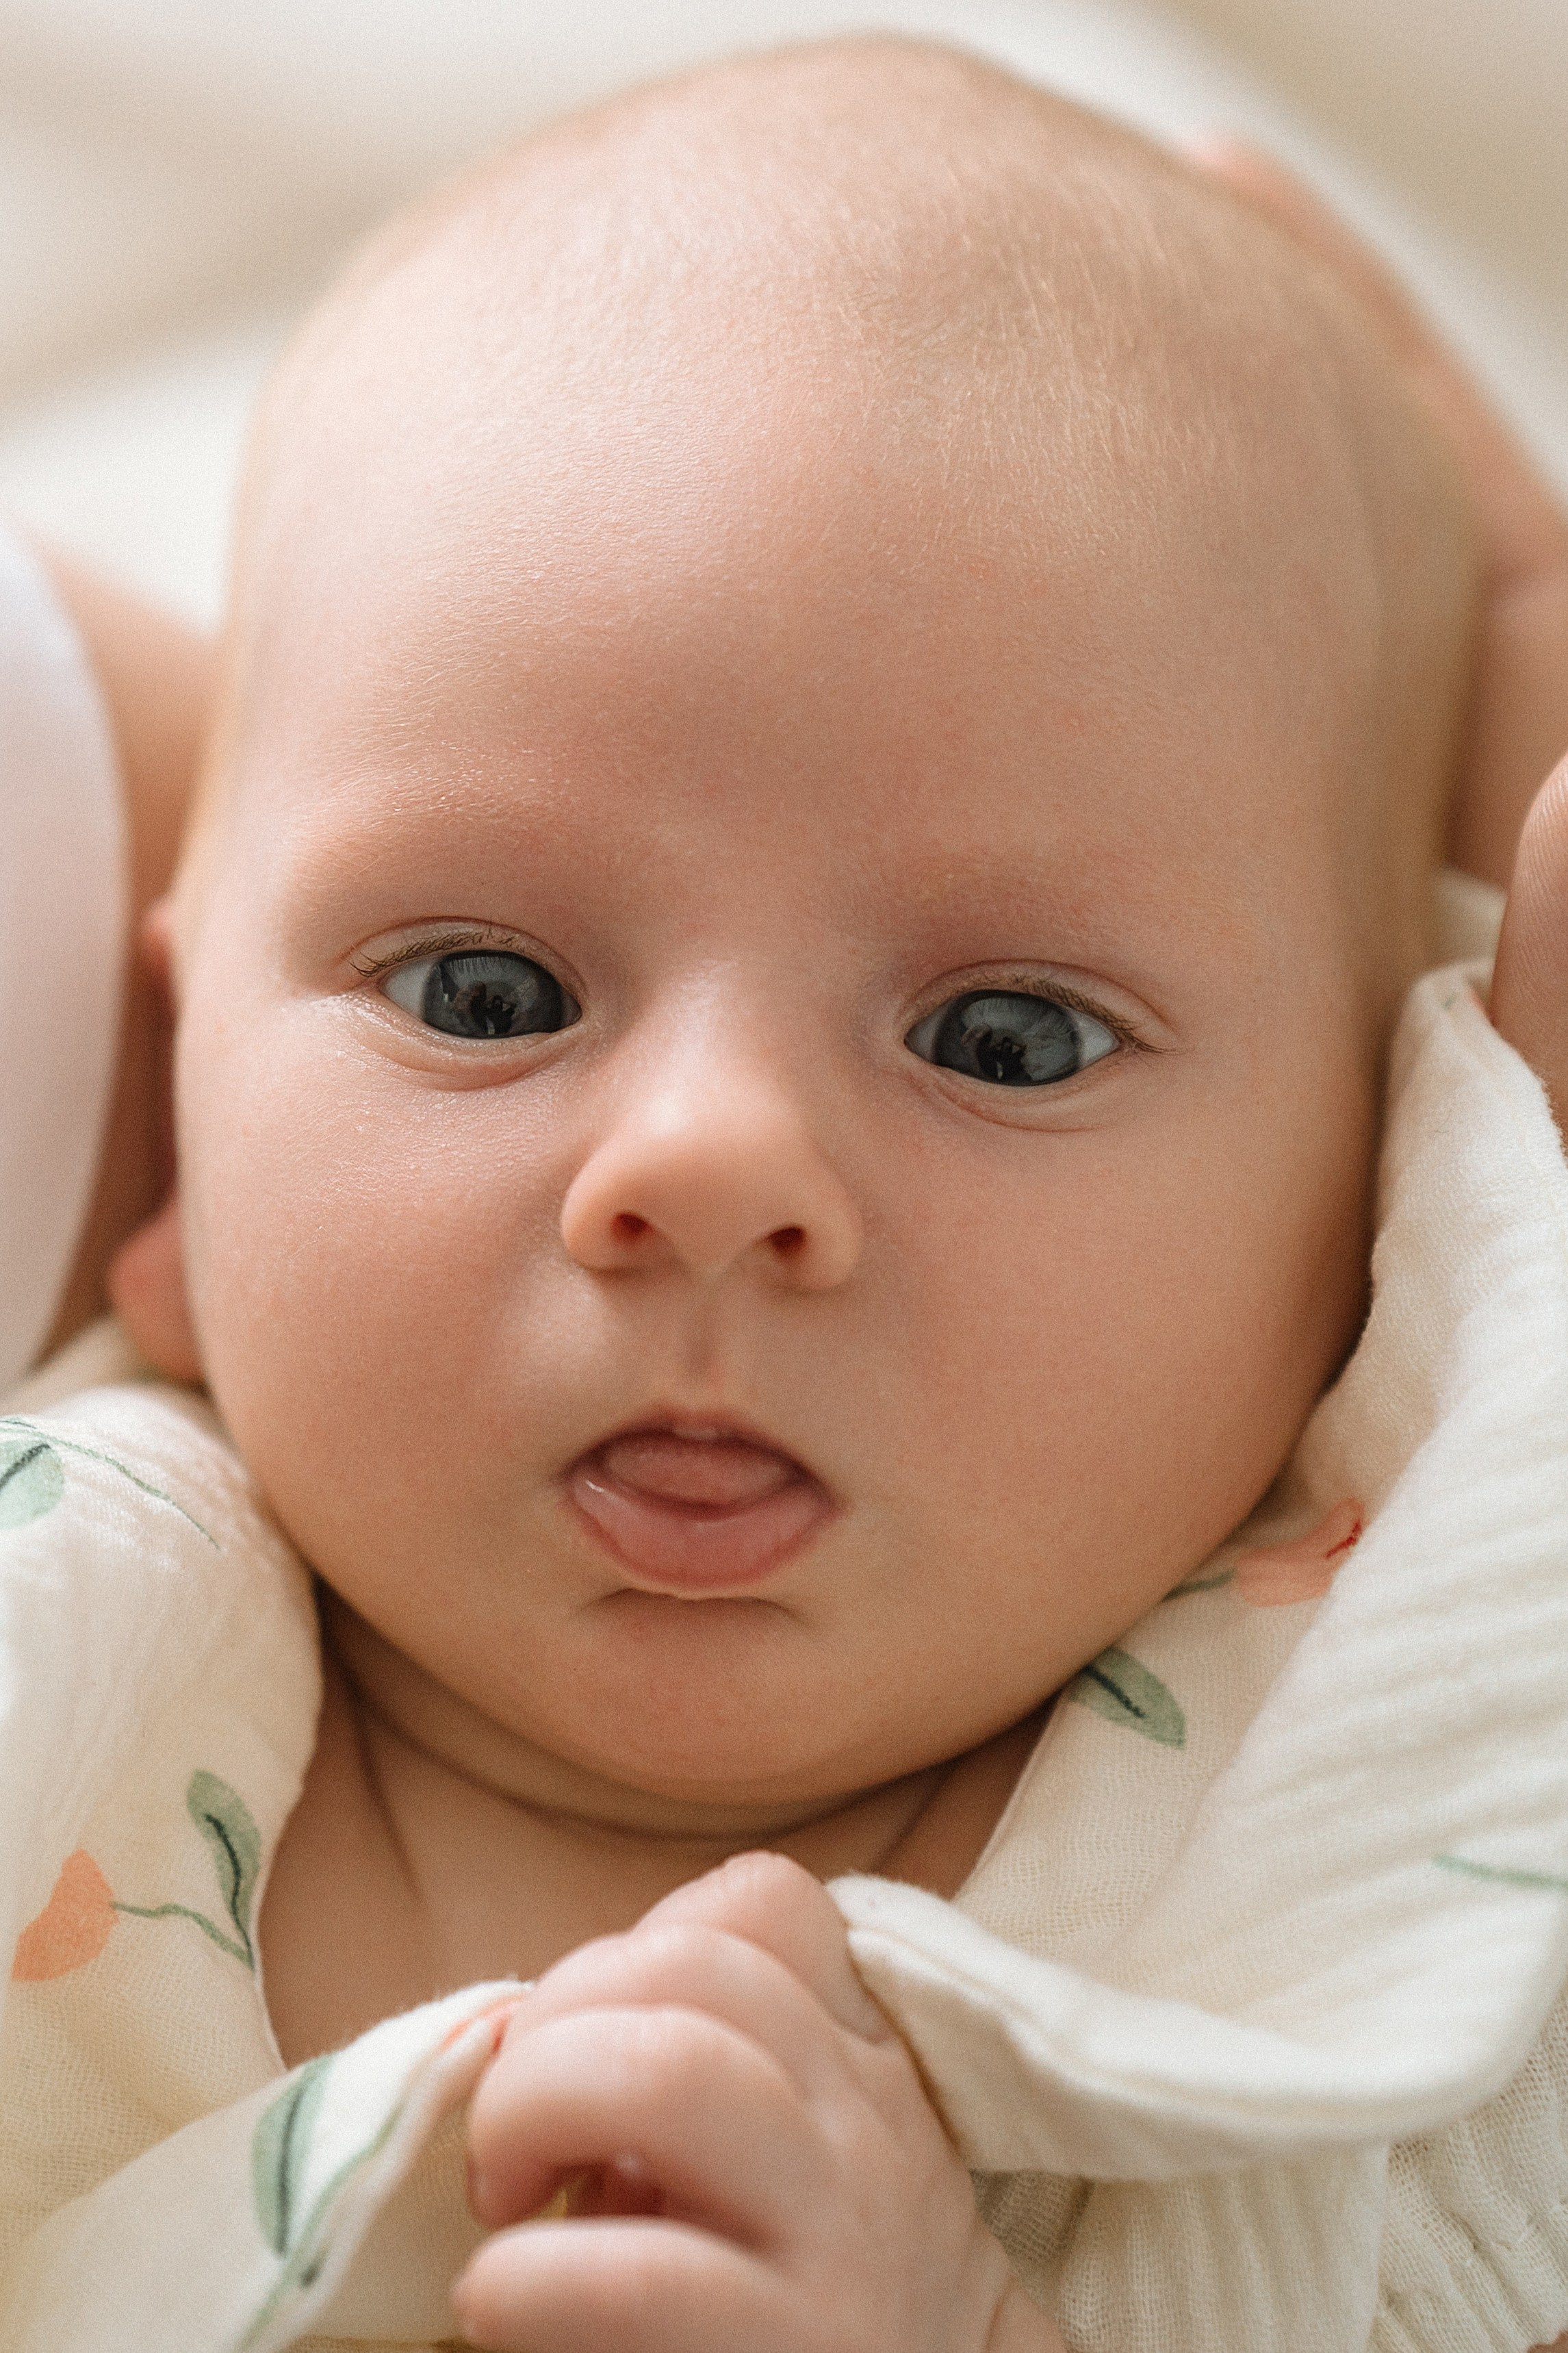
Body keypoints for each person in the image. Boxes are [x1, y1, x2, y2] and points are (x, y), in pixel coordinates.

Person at [6, 36, 1568, 2353]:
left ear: (1374, 1210)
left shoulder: (1395, 1851)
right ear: (176, 1123)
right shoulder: (65, 1648)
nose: (707, 1166)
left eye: (1004, 1040)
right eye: (483, 990)